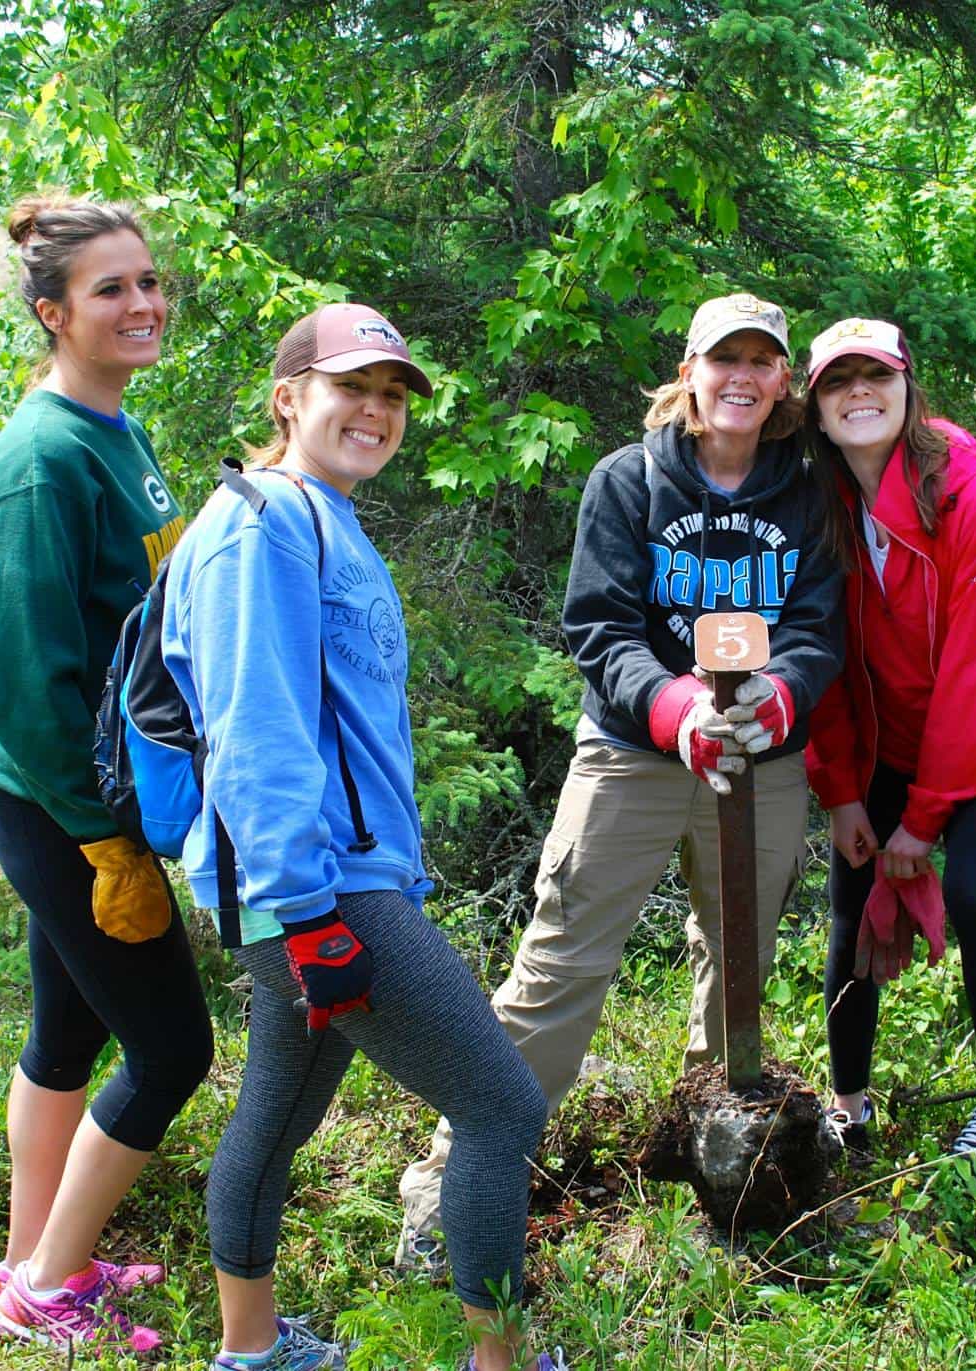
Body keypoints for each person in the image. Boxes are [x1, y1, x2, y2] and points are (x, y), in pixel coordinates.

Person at [398, 293, 844, 1272]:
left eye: (759, 361)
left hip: (760, 764)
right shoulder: (629, 481)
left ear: (782, 383)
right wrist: (674, 708)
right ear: (687, 367)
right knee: (561, 962)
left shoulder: (805, 492)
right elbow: (597, 628)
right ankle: (459, 1179)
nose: (739, 377)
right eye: (721, 357)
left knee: (737, 964)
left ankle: (710, 1162)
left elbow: (816, 625)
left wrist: (777, 697)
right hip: (634, 756)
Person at [162, 303, 560, 1371]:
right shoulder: (259, 524)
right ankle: (503, 1361)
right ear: (288, 399)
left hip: (328, 877)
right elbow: (256, 726)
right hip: (322, 886)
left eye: (392, 395)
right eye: (352, 388)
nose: (376, 411)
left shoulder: (320, 516)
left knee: (276, 1116)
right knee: (498, 1106)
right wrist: (306, 911)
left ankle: (250, 1353)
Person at [0, 195, 213, 1353]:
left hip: (100, 800)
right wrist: (106, 842)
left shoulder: (116, 432)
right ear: (50, 313)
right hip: (62, 805)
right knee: (172, 1049)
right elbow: (26, 690)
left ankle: (32, 1263)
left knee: (66, 1038)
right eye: (110, 288)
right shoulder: (37, 462)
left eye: (148, 281)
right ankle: (49, 1289)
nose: (142, 304)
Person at [798, 317, 976, 1164]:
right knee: (850, 904)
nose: (859, 394)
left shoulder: (975, 499)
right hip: (885, 742)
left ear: (909, 386)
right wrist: (840, 790)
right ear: (815, 406)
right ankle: (850, 1105)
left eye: (874, 375)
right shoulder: (824, 504)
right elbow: (826, 660)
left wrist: (922, 823)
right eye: (838, 381)